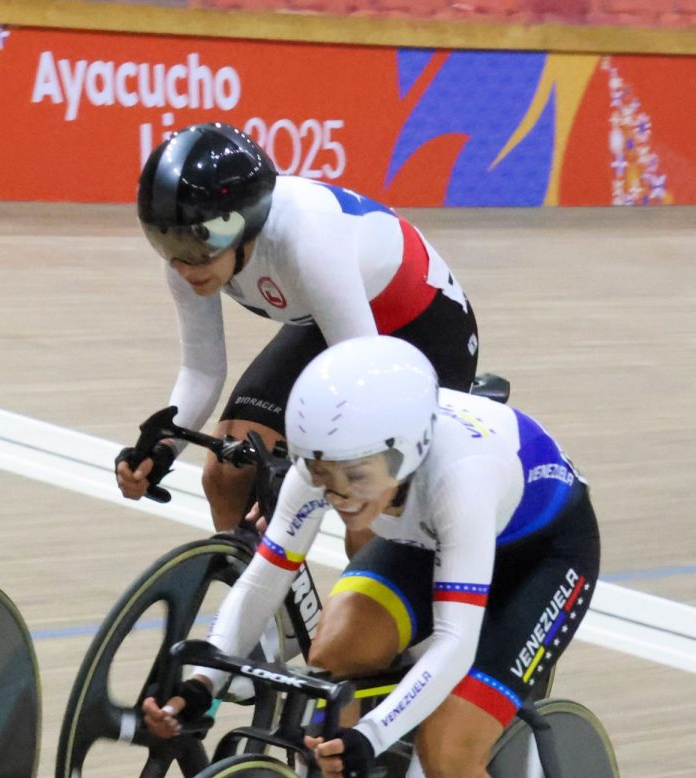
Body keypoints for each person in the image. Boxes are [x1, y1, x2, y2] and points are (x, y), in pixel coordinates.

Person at [141, 335, 600, 778]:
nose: (340, 494)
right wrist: (203, 678)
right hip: (427, 542)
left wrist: (376, 734)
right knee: (329, 656)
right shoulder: (335, 465)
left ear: (408, 451)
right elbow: (266, 574)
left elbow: (455, 641)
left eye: (359, 477)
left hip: (537, 557)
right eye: (325, 476)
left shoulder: (459, 475)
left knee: (448, 752)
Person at [116, 121, 480, 537]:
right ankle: (265, 597)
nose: (183, 266)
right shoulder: (189, 259)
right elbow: (201, 370)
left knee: (366, 522)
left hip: (425, 329)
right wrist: (165, 448)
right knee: (227, 475)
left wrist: (303, 482)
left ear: (244, 225)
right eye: (168, 246)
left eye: (196, 249)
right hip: (335, 324)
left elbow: (361, 381)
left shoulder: (306, 239)